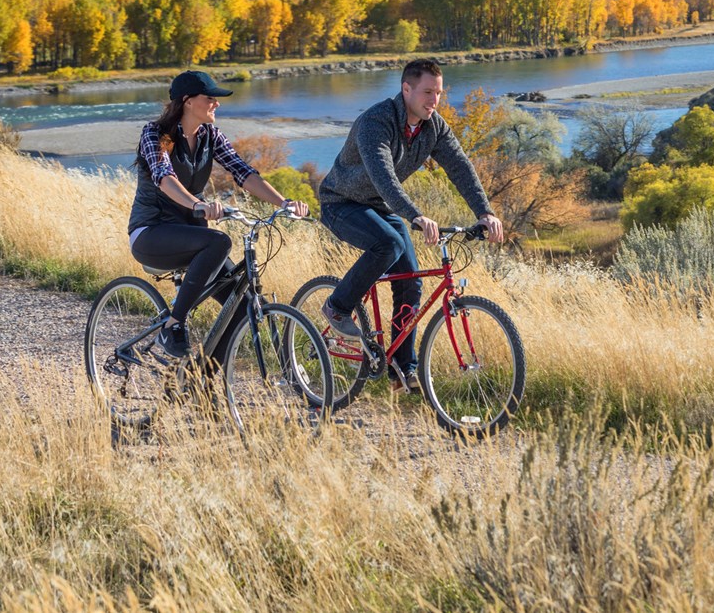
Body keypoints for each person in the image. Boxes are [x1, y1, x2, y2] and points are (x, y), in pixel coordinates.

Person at [317, 58, 504, 392]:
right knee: (388, 244)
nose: (435, 100)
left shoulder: (434, 127)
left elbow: (459, 167)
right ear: (406, 89)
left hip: (379, 206)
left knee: (411, 282)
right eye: (428, 92)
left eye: (439, 93)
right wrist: (415, 214)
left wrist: (484, 212)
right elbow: (382, 174)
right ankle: (337, 305)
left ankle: (403, 370)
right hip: (340, 202)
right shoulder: (377, 121)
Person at [128, 70, 310, 357]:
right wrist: (198, 205)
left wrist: (284, 203)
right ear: (188, 101)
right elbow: (164, 177)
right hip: (152, 232)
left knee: (240, 308)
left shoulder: (210, 135)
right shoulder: (155, 134)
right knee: (219, 241)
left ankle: (203, 382)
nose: (217, 104)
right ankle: (173, 326)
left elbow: (243, 172)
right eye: (210, 98)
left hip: (192, 236)